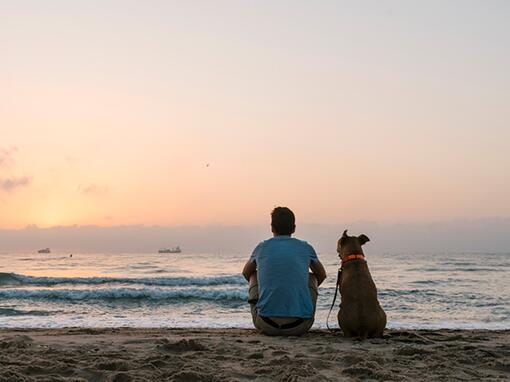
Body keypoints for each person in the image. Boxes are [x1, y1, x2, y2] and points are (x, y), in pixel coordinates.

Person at [242, 207, 326, 335]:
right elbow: (321, 275)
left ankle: (266, 306)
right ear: (294, 228)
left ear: (272, 227)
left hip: (266, 324)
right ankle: (300, 307)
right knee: (312, 277)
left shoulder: (261, 248)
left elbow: (246, 273)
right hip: (300, 326)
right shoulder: (305, 248)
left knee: (254, 274)